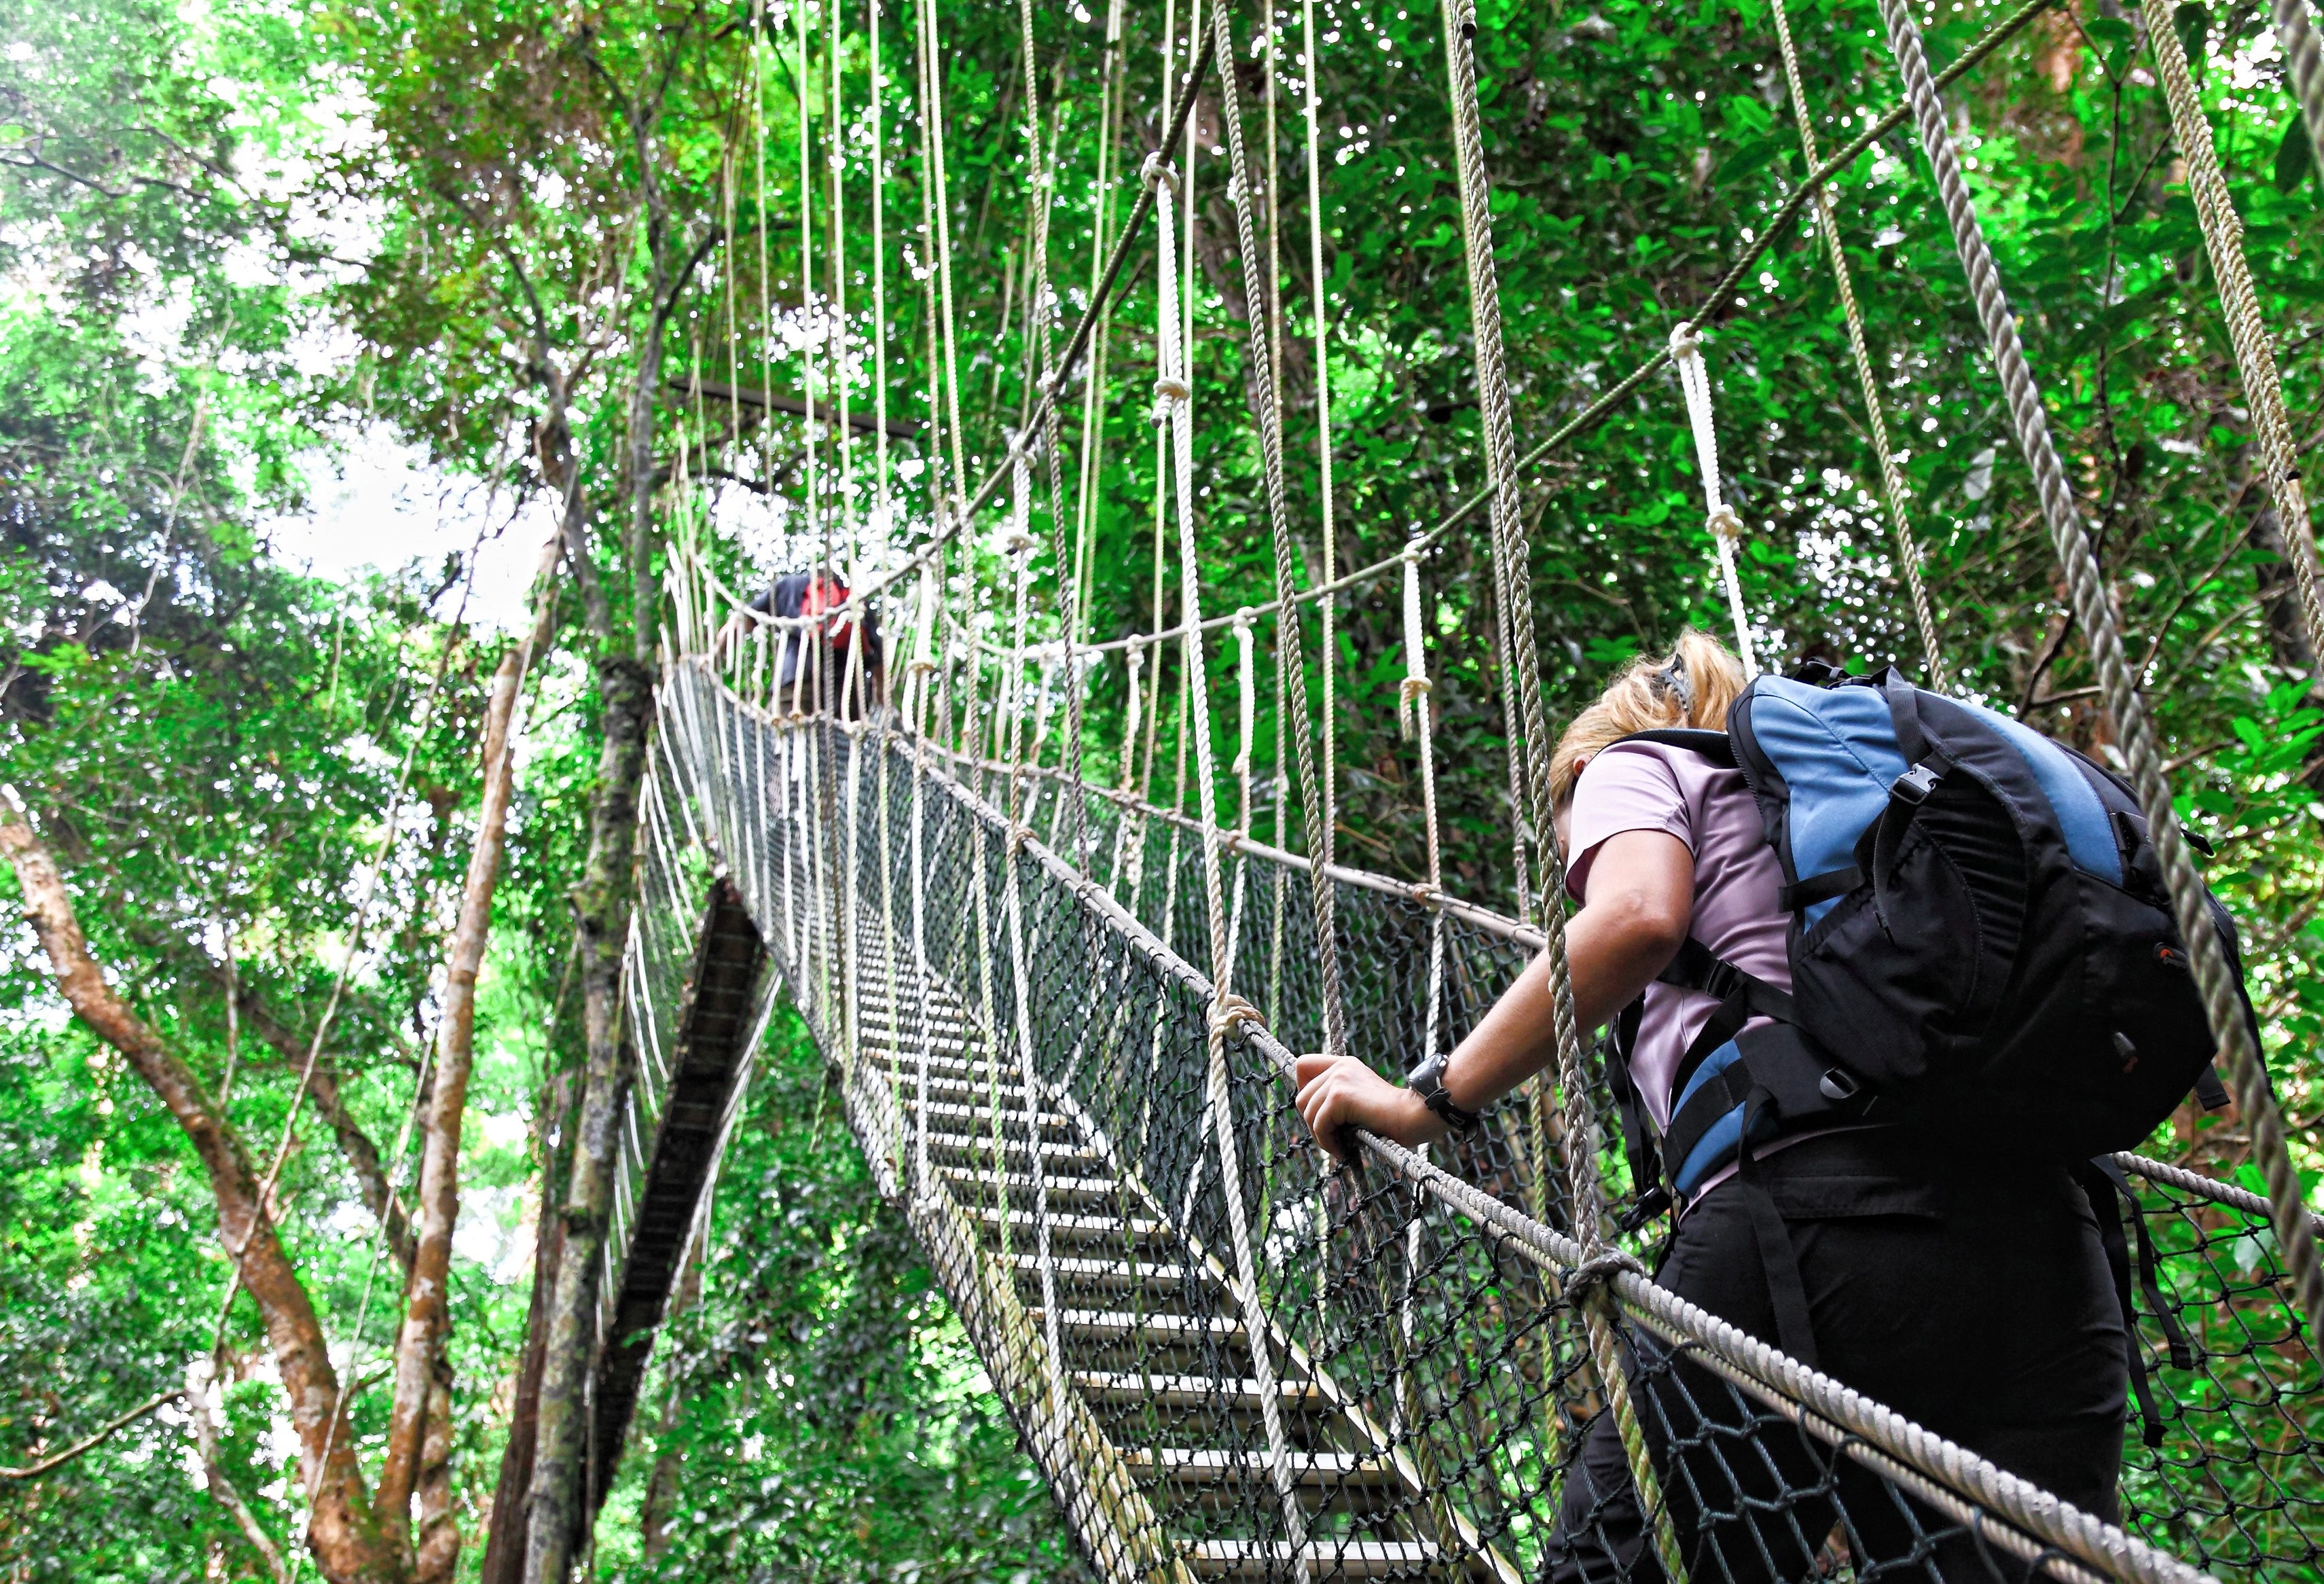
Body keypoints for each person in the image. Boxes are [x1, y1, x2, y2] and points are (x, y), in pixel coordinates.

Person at [1290, 630, 2126, 1582]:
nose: (1571, 865)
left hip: (1813, 1218)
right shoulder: (1868, 805)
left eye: (1564, 843)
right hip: (2055, 1242)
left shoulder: (1630, 763)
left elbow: (1635, 918)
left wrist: (1421, 1104)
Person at [729, 569, 884, 719]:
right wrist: (882, 697)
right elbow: (877, 656)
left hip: (796, 684)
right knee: (844, 742)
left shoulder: (790, 586)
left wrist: (716, 653)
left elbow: (743, 619)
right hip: (848, 694)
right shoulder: (856, 602)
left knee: (788, 738)